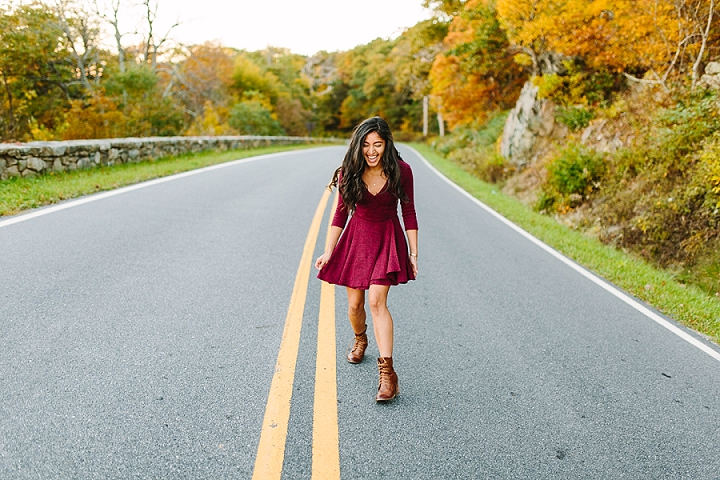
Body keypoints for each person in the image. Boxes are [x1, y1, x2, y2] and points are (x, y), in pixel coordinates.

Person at [315, 116, 418, 403]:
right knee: (355, 305)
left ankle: (388, 375)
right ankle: (360, 338)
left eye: (378, 145)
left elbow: (409, 213)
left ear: (387, 145)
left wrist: (413, 254)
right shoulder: (350, 171)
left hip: (387, 237)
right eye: (366, 145)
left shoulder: (402, 171)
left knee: (376, 301)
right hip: (357, 238)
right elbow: (340, 214)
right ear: (358, 146)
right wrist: (329, 251)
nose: (372, 151)